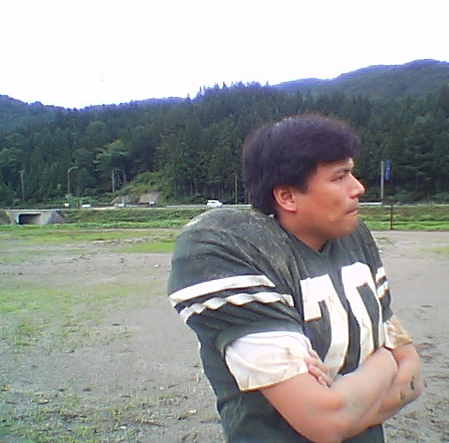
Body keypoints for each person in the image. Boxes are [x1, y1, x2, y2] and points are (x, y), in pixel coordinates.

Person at [167, 114, 422, 442]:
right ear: (287, 197)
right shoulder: (233, 252)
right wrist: (384, 362)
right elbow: (325, 421)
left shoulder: (354, 238)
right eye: (339, 177)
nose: (358, 188)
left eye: (351, 172)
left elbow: (411, 372)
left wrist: (350, 403)